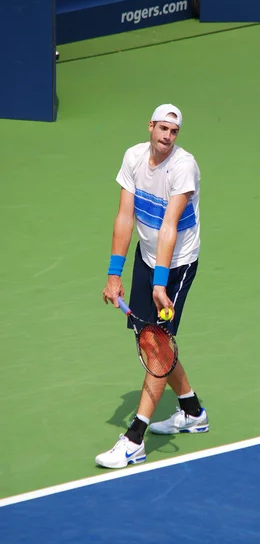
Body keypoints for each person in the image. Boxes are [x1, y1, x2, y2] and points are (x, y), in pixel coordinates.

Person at [95, 104, 209, 469]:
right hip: (147, 257)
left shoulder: (183, 167)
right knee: (150, 341)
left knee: (157, 345)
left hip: (177, 263)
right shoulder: (133, 158)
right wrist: (115, 275)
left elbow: (169, 227)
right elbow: (125, 216)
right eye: (163, 128)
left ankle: (134, 439)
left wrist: (161, 283)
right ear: (150, 126)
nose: (167, 136)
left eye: (174, 132)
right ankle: (192, 411)